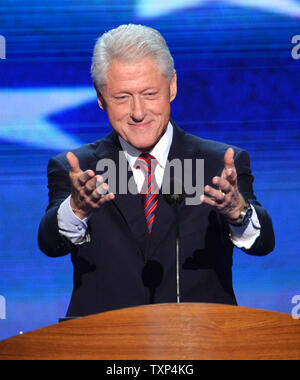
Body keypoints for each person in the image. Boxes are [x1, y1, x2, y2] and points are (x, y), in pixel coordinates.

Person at [38, 24, 275, 317]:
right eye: (122, 97)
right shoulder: (78, 168)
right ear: (100, 97)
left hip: (201, 342)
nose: (138, 112)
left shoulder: (218, 163)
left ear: (172, 86)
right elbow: (50, 243)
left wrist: (238, 212)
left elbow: (262, 243)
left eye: (150, 94)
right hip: (104, 345)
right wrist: (76, 209)